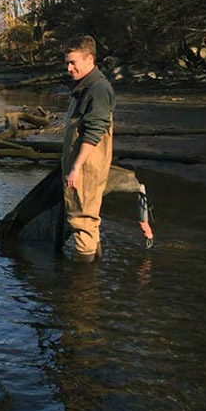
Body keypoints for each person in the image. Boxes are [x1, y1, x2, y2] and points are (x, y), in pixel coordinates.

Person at [62, 35, 115, 263]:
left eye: (73, 62)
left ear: (90, 58)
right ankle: (94, 273)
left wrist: (75, 167)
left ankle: (80, 289)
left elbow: (94, 132)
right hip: (82, 164)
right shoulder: (84, 86)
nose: (69, 68)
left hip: (86, 166)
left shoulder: (98, 88)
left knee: (81, 218)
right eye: (67, 62)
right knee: (88, 219)